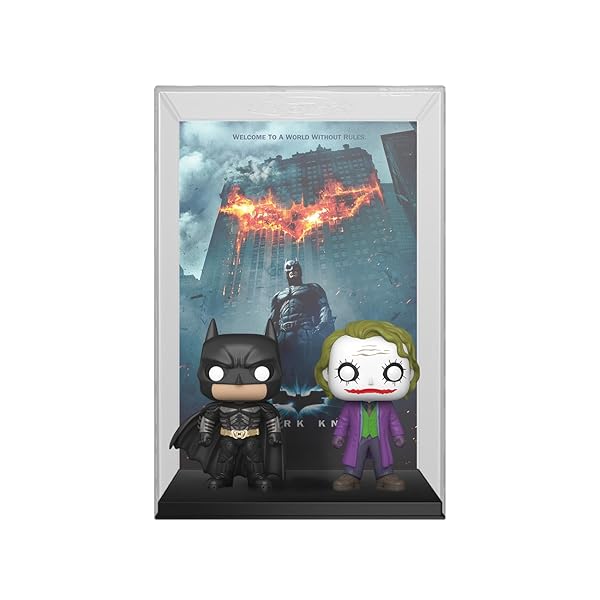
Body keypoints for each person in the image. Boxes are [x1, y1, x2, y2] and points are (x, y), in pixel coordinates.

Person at [314, 320, 420, 491]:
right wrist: (339, 435)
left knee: (383, 457)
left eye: (392, 372)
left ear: (410, 374)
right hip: (358, 439)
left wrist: (398, 434)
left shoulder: (386, 406)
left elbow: (393, 421)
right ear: (327, 374)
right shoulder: (350, 407)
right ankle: (351, 474)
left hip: (380, 438)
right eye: (347, 372)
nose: (370, 382)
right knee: (354, 457)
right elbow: (343, 422)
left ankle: (385, 475)